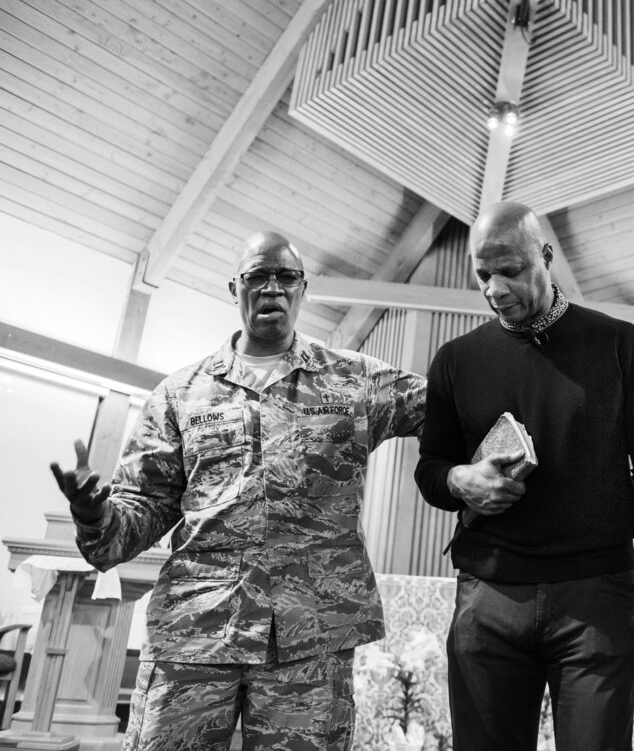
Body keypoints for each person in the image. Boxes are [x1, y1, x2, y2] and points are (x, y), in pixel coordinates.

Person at [49, 231, 426, 751]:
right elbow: (142, 512)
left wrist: (466, 474)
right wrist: (96, 515)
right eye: (257, 276)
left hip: (310, 638)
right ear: (236, 287)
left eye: (285, 276)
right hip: (195, 632)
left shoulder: (357, 382)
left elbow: (451, 409)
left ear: (302, 289)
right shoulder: (180, 393)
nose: (272, 287)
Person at [414, 200, 634, 751]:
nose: (495, 289)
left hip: (596, 600)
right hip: (487, 597)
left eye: (511, 271)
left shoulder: (621, 344)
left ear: (544, 257)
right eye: (483, 275)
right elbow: (430, 469)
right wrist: (459, 481)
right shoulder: (454, 361)